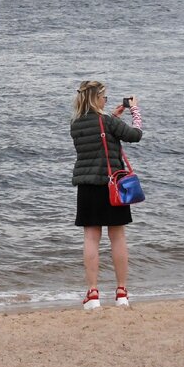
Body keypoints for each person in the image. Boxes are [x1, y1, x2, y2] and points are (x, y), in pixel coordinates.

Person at [70, 80, 144, 310]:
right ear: (96, 98)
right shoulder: (109, 121)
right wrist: (134, 110)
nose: (106, 100)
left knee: (91, 238)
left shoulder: (76, 124)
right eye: (104, 97)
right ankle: (121, 292)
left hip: (87, 186)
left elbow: (99, 135)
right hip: (113, 186)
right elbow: (135, 135)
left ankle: (92, 294)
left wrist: (113, 115)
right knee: (118, 237)